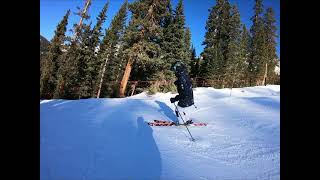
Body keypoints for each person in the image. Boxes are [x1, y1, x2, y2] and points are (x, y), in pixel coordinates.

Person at [170, 60, 195, 125]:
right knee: (184, 109)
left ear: (178, 70)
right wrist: (178, 82)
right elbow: (187, 84)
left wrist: (174, 99)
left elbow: (184, 93)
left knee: (178, 110)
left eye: (174, 71)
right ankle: (187, 120)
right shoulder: (185, 75)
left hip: (185, 99)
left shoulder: (181, 79)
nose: (174, 73)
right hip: (190, 98)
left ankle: (182, 122)